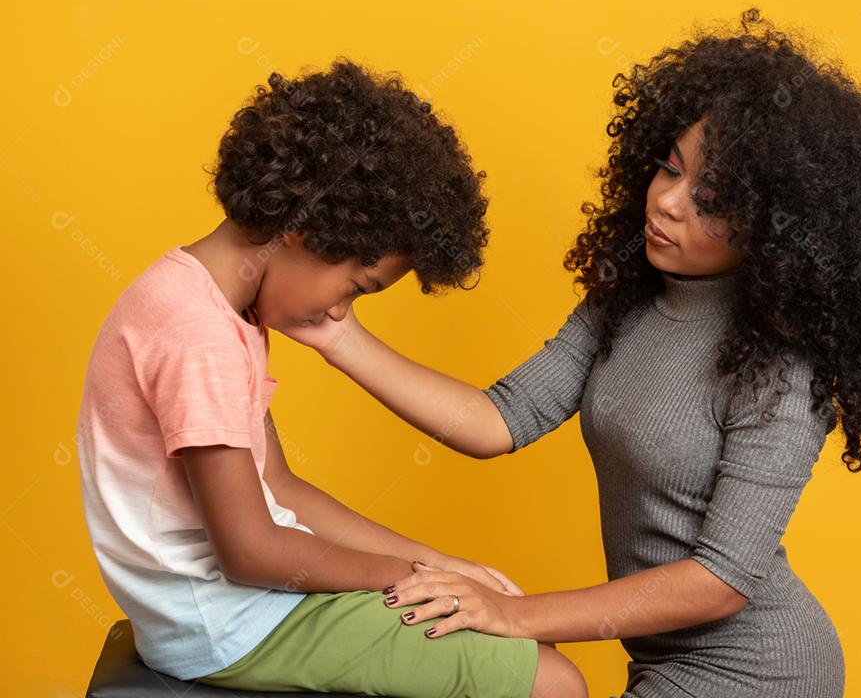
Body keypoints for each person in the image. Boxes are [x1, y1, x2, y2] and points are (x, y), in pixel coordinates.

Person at [284, 9, 861, 697]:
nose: (667, 203)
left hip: (761, 672)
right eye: (668, 169)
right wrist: (339, 337)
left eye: (710, 199)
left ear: (776, 223)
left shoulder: (781, 369)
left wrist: (515, 615)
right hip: (660, 662)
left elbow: (721, 580)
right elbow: (498, 419)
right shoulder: (625, 300)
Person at [77, 58, 587, 698]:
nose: (341, 311)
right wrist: (407, 577)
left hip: (239, 611)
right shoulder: (197, 335)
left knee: (519, 638)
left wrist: (439, 566)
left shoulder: (210, 305)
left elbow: (281, 490)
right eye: (357, 286)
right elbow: (250, 550)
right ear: (304, 229)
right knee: (552, 682)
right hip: (232, 623)